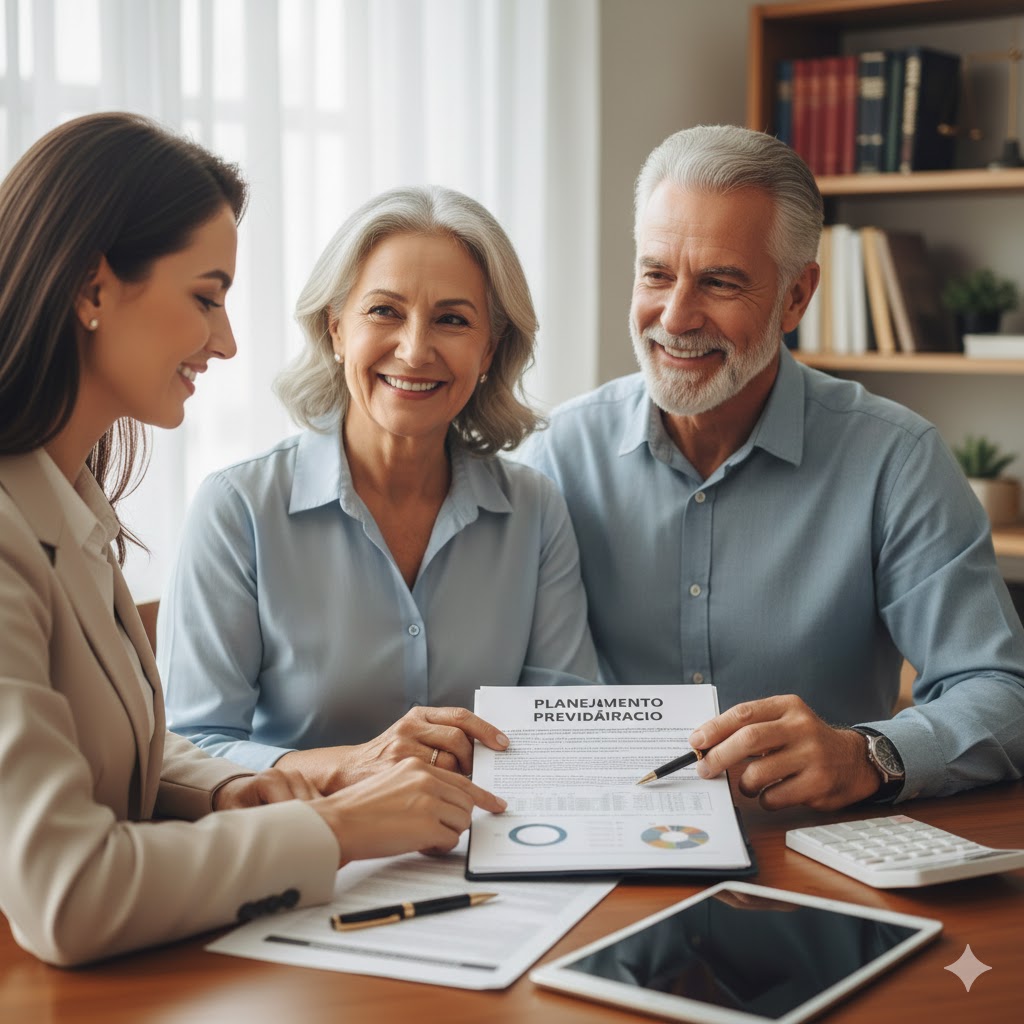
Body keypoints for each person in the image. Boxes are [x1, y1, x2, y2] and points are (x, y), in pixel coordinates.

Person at [0, 113, 505, 968]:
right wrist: (332, 826)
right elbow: (67, 891)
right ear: (92, 290)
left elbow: (114, 761)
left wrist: (247, 786)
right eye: (206, 297)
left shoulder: (69, 507)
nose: (227, 340)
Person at [515, 124, 1024, 812]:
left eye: (720, 281)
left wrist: (868, 754)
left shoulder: (894, 460)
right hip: (615, 851)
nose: (675, 315)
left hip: (822, 861)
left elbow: (1002, 692)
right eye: (656, 274)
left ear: (796, 297)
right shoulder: (556, 456)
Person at [157, 184, 597, 793]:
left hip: (486, 856)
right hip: (306, 860)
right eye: (384, 311)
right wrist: (355, 765)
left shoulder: (535, 510)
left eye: (452, 319)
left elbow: (567, 735)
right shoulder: (238, 509)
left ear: (489, 350)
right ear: (336, 329)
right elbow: (188, 753)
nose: (415, 350)